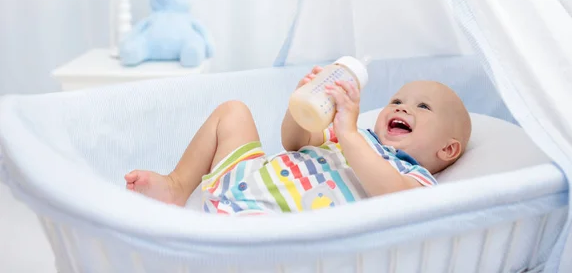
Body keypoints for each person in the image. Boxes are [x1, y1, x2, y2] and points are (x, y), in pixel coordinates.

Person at [125, 66, 471, 214]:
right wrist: (300, 106)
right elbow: (295, 141)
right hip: (248, 175)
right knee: (233, 111)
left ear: (448, 149)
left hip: (271, 215)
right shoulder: (355, 134)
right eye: (397, 101)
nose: (402, 108)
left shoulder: (414, 180)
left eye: (422, 107)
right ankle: (177, 185)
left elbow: (395, 197)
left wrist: (349, 135)